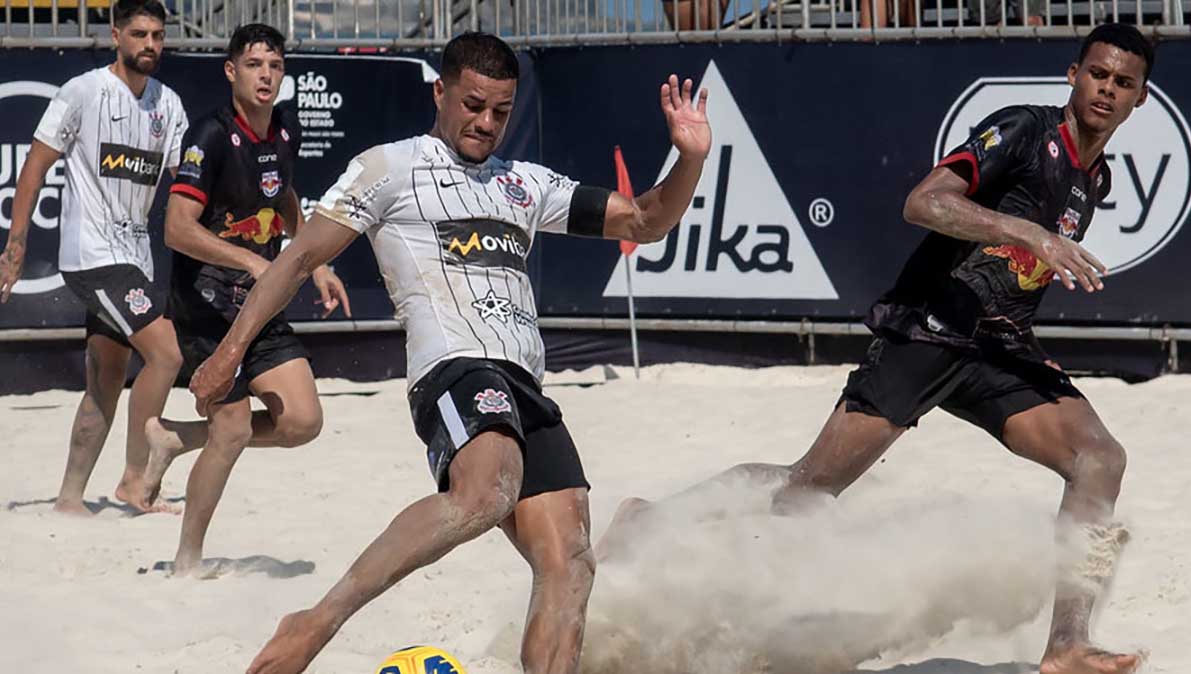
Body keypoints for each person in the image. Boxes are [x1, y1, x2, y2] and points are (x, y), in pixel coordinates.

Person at [598, 23, 1151, 674]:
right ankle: (648, 520)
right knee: (808, 490)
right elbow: (925, 202)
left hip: (997, 349)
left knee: (1099, 458)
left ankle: (1066, 646)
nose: (1106, 90)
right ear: (1072, 75)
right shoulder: (1025, 131)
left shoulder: (1096, 177)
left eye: (1123, 83)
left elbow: (1011, 277)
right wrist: (1027, 231)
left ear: (1141, 98)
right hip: (929, 330)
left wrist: (1026, 335)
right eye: (1097, 74)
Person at [188, 31, 710, 674]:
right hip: (454, 365)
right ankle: (317, 620)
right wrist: (230, 353)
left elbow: (645, 220)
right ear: (441, 92)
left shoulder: (524, 181)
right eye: (472, 104)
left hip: (526, 382)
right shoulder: (391, 167)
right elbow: (296, 259)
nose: (486, 123)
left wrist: (687, 159)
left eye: (500, 111)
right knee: (488, 489)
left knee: (571, 561)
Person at [143, 23, 350, 575]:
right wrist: (254, 260)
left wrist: (317, 260)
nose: (267, 75)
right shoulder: (208, 136)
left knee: (303, 422)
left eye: (276, 66)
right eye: (255, 64)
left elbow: (282, 196)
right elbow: (176, 229)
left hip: (258, 304)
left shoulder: (283, 130)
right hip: (205, 304)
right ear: (232, 70)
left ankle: (177, 437)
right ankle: (186, 561)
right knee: (232, 430)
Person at [0, 0, 187, 516]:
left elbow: (182, 188)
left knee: (105, 379)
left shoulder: (168, 104)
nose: (150, 45)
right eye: (140, 34)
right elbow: (35, 168)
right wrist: (15, 248)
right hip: (92, 255)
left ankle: (68, 498)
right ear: (116, 35)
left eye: (157, 35)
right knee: (167, 355)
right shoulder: (82, 91)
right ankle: (132, 480)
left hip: (136, 256)